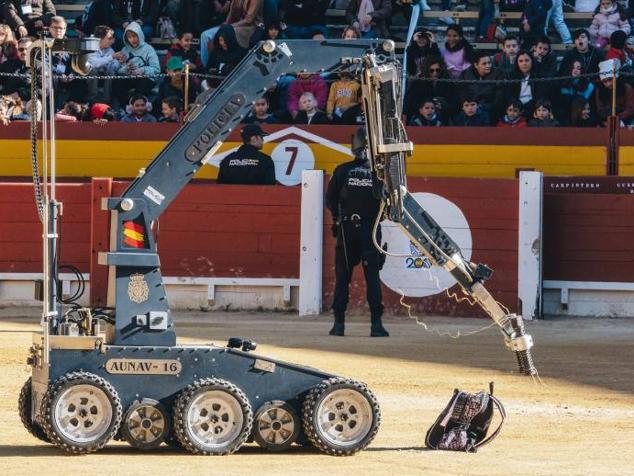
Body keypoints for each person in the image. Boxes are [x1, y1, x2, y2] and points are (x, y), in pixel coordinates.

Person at [326, 127, 388, 338]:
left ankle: (339, 325)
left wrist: (337, 217)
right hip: (370, 230)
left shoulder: (342, 170)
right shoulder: (380, 173)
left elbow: (330, 200)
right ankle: (376, 325)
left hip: (346, 229)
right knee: (372, 276)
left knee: (343, 277)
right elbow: (388, 202)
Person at [112, 21, 161, 105]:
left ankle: (140, 108)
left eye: (135, 36)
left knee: (142, 85)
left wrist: (142, 70)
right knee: (118, 83)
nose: (132, 39)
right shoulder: (125, 50)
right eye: (129, 37)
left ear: (140, 35)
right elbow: (119, 71)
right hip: (130, 77)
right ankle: (125, 108)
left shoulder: (148, 49)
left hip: (146, 78)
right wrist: (126, 67)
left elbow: (156, 69)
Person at [459, 51, 504, 122]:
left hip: (490, 109)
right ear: (476, 65)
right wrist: (469, 106)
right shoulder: (465, 75)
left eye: (489, 63)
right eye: (484, 64)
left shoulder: (498, 74)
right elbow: (462, 93)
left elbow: (499, 97)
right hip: (469, 107)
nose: (488, 66)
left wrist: (483, 107)